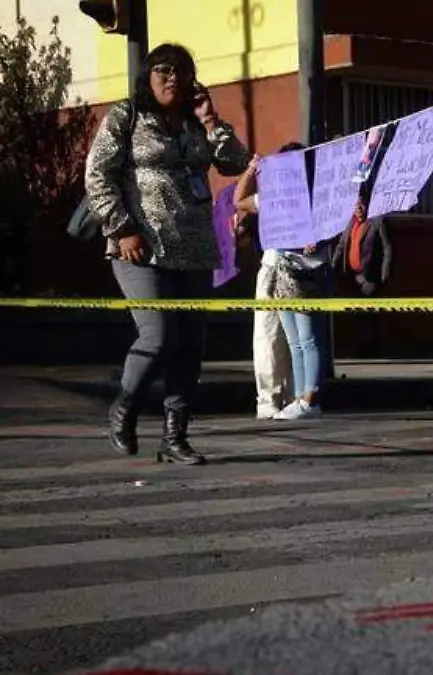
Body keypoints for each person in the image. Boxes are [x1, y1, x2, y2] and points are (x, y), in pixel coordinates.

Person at [87, 43, 250, 466]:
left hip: (195, 248)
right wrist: (122, 228)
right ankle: (124, 408)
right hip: (140, 245)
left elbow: (237, 163)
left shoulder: (196, 125)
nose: (172, 77)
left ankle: (175, 436)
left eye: (180, 71)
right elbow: (97, 175)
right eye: (163, 70)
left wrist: (211, 120)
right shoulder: (127, 116)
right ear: (148, 76)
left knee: (190, 345)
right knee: (159, 334)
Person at [235, 144, 332, 421]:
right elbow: (239, 201)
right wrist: (252, 169)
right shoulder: (273, 196)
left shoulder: (317, 196)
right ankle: (298, 398)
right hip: (280, 272)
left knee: (308, 338)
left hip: (307, 273)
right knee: (294, 341)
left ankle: (309, 399)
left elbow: (334, 224)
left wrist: (319, 240)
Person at [229, 199, 293, 419]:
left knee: (300, 339)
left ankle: (295, 396)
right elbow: (241, 202)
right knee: (269, 335)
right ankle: (269, 398)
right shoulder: (272, 185)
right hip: (275, 264)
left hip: (304, 265)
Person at [331, 191, 392, 296]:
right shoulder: (350, 222)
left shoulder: (376, 221)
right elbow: (341, 245)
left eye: (361, 204)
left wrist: (383, 275)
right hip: (350, 277)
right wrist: (333, 264)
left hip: (369, 278)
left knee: (367, 309)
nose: (358, 207)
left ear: (367, 205)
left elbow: (387, 248)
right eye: (355, 204)